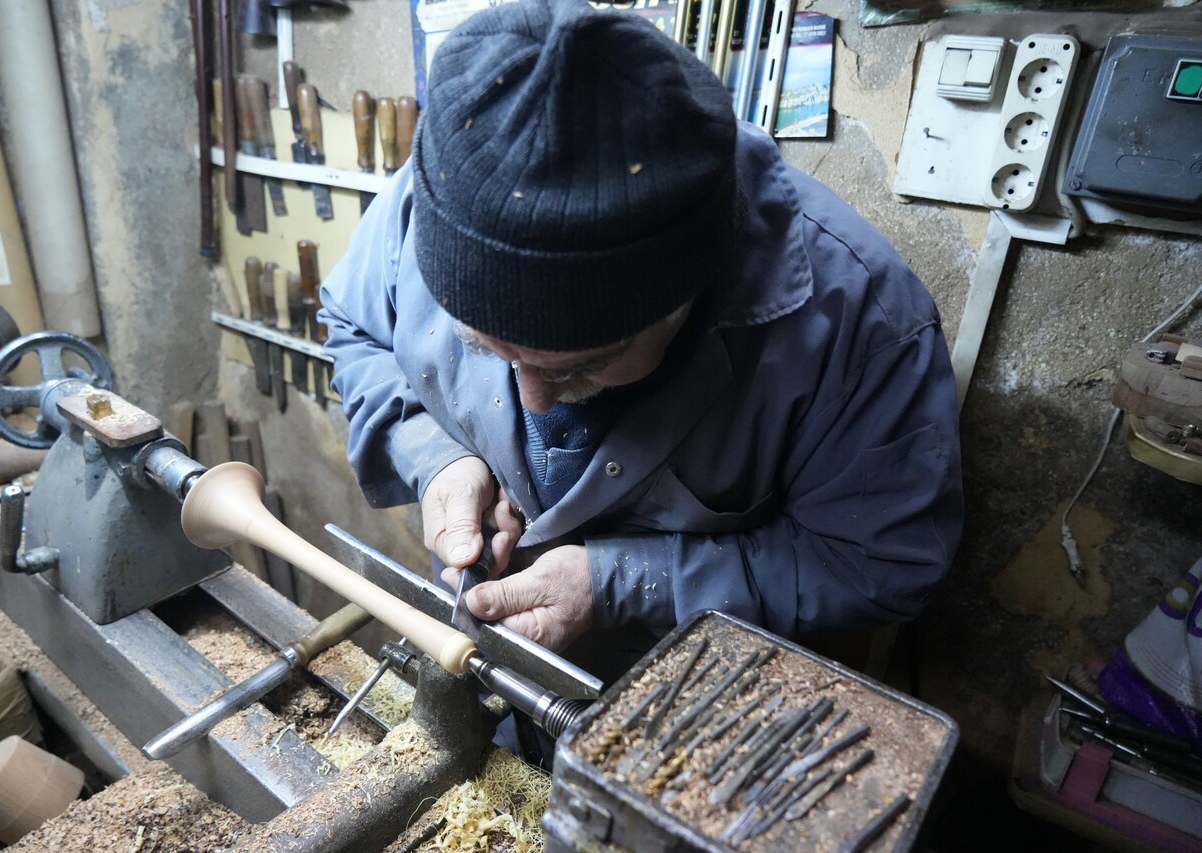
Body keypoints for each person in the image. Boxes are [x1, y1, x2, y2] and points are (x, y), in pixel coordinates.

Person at [320, 0, 963, 683]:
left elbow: (880, 563)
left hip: (690, 698)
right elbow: (354, 328)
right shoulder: (442, 194)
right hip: (487, 660)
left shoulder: (862, 320)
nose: (536, 402)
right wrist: (437, 456)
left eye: (582, 366)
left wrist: (625, 581)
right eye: (488, 348)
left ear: (685, 298)